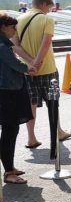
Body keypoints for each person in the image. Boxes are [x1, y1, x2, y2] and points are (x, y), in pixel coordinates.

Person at [18, 0, 71, 151]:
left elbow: (15, 45)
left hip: (27, 70)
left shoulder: (18, 20)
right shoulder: (46, 19)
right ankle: (58, 132)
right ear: (43, 4)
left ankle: (31, 138)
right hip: (47, 68)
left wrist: (30, 63)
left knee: (31, 104)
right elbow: (46, 43)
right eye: (49, 7)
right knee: (53, 102)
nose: (49, 10)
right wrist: (38, 62)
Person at [0, 14, 35, 184]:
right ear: (3, 27)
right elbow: (15, 65)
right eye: (12, 27)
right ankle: (8, 172)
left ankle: (10, 168)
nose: (14, 30)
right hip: (7, 93)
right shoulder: (2, 45)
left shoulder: (4, 44)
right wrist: (28, 68)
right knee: (9, 132)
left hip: (9, 91)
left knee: (10, 131)